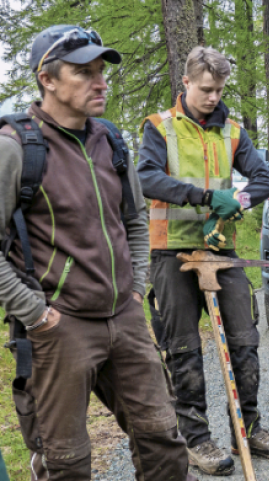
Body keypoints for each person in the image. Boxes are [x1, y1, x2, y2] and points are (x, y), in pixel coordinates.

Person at [0, 25, 193, 480]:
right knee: (66, 463)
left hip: (124, 320)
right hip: (59, 328)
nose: (101, 82)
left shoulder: (110, 141)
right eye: (84, 72)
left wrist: (135, 290)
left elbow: (135, 221)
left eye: (101, 72)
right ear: (47, 79)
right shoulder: (16, 149)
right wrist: (36, 315)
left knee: (163, 441)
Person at [137, 46, 269, 476]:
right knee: (182, 347)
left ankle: (249, 427)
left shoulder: (233, 131)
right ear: (185, 83)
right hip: (171, 253)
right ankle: (196, 439)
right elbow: (146, 178)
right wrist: (204, 197)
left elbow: (266, 180)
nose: (213, 97)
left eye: (219, 90)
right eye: (206, 89)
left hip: (221, 254)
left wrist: (235, 201)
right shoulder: (159, 128)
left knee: (244, 339)